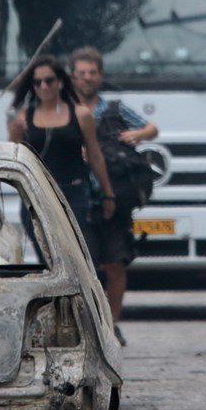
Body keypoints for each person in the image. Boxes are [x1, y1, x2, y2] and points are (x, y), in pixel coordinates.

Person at [67, 46, 159, 329]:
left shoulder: (114, 110)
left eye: (92, 73)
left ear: (100, 76)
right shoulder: (62, 112)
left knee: (116, 264)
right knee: (83, 268)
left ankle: (113, 326)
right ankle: (86, 326)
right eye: (81, 74)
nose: (87, 79)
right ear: (72, 77)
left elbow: (151, 129)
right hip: (77, 200)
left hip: (113, 200)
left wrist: (138, 134)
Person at [7, 54, 117, 248]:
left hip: (73, 193)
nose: (44, 86)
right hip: (36, 194)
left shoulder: (81, 115)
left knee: (72, 251)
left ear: (60, 81)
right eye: (37, 82)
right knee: (46, 255)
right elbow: (13, 156)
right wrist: (14, 135)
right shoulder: (23, 117)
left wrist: (108, 193)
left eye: (49, 80)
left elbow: (94, 154)